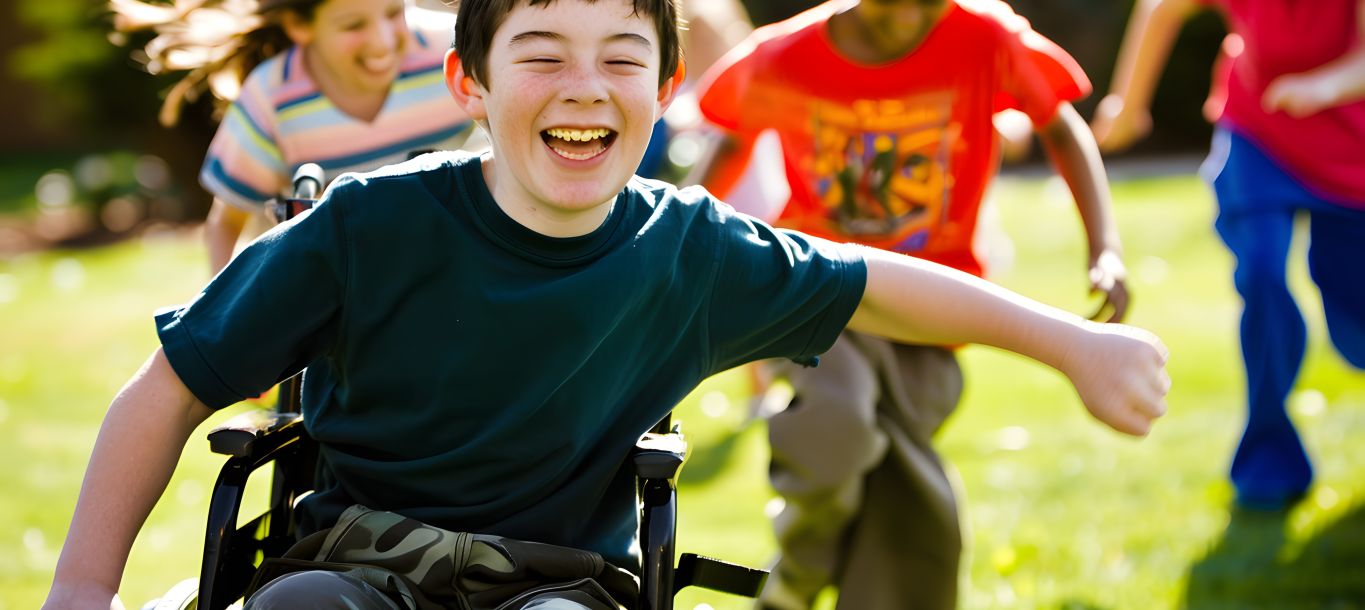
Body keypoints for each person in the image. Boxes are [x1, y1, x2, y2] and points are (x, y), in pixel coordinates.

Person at [42, 0, 1169, 608]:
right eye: (542, 51)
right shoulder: (360, 224)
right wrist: (83, 589)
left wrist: (1070, 343)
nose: (584, 83)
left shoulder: (686, 249)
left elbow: (880, 283)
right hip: (354, 553)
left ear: (664, 90)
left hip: (559, 579)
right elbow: (169, 388)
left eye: (621, 56)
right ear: (470, 85)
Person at [689, 1, 1128, 608]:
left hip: (934, 311)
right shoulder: (786, 56)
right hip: (820, 295)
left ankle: (800, 587)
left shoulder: (985, 39)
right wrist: (678, 237)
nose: (912, 13)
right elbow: (731, 140)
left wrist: (1104, 245)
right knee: (834, 429)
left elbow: (1059, 125)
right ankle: (798, 574)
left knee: (902, 492)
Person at [1091, 0, 1365, 509]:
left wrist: (1320, 87)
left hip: (1350, 146)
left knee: (1358, 332)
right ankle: (1269, 464)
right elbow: (1160, 9)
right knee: (1261, 274)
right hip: (1258, 134)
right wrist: (1128, 105)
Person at [112, 0, 481, 275]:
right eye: (353, 25)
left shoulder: (452, 51)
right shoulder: (272, 98)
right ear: (299, 25)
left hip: (458, 272)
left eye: (392, 13)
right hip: (342, 292)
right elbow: (226, 224)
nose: (383, 41)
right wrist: (229, 329)